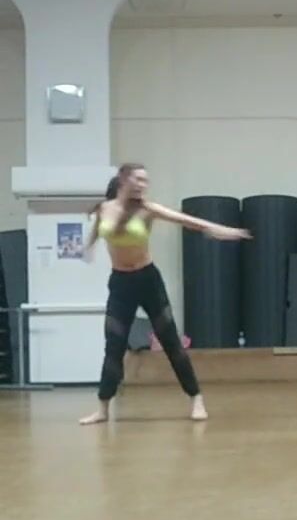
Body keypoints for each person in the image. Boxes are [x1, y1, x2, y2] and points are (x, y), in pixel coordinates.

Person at [80, 163, 250, 425]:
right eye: (138, 179)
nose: (143, 184)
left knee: (171, 342)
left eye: (145, 180)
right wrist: (87, 247)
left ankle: (196, 398)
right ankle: (103, 408)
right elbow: (96, 232)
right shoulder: (104, 209)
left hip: (148, 281)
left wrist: (218, 229)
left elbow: (186, 221)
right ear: (124, 180)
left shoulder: (148, 210)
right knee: (113, 346)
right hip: (120, 284)